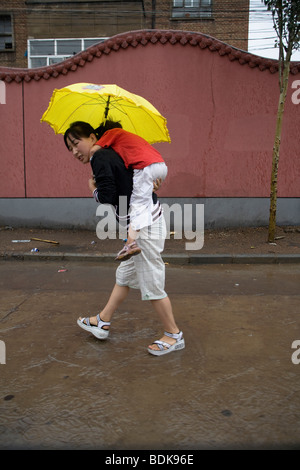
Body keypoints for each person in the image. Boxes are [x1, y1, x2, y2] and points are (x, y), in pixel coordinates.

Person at [63, 121, 185, 356]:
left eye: (76, 143)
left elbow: (109, 195)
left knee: (151, 280)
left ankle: (173, 334)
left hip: (144, 228)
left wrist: (94, 190)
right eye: (70, 148)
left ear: (92, 137)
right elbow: (135, 182)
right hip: (147, 221)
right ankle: (102, 320)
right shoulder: (114, 153)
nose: (75, 151)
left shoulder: (100, 157)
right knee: (125, 275)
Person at [89, 120, 168, 262]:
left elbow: (94, 150)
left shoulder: (112, 133)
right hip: (159, 165)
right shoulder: (129, 142)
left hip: (145, 167)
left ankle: (130, 243)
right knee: (124, 276)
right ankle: (129, 242)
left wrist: (95, 162)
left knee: (138, 204)